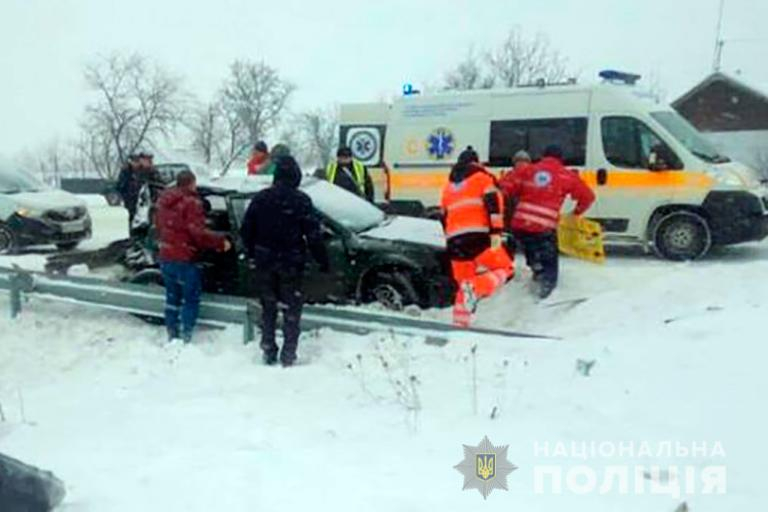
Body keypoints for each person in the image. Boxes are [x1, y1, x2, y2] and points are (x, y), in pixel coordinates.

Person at [240, 155, 329, 367]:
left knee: (268, 307)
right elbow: (313, 235)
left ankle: (268, 349)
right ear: (296, 177)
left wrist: (251, 253)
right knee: (291, 310)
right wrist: (322, 260)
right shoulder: (301, 200)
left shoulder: (261, 198)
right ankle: (288, 354)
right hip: (291, 262)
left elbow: (246, 231)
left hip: (265, 261)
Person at [499, 144, 595, 299]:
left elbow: (504, 187)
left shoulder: (528, 170)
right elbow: (588, 197)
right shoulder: (566, 175)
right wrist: (576, 213)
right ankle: (546, 291)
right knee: (549, 259)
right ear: (561, 158)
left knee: (531, 249)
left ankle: (536, 268)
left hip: (521, 225)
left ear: (543, 156)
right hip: (544, 227)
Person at [440, 146, 514, 327]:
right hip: (478, 236)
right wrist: (496, 231)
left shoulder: (448, 187)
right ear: (476, 162)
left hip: (454, 242)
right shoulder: (482, 178)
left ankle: (460, 325)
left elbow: (443, 216)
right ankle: (477, 287)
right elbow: (494, 205)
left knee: (463, 286)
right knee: (506, 268)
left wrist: (451, 238)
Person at [155, 170, 232, 343]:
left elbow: (160, 227)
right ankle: (186, 333)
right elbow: (198, 233)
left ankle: (172, 331)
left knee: (172, 296)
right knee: (190, 298)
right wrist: (220, 243)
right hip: (185, 258)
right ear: (192, 183)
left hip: (166, 255)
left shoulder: (164, 202)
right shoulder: (191, 202)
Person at [116, 152, 162, 235]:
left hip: (150, 202)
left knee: (149, 222)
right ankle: (135, 236)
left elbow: (160, 185)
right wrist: (127, 197)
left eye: (149, 160)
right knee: (135, 221)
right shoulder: (127, 171)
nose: (148, 162)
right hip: (133, 201)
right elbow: (121, 186)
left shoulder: (152, 171)